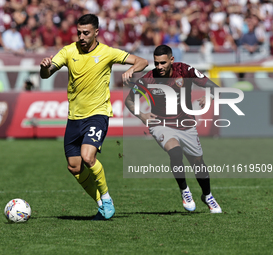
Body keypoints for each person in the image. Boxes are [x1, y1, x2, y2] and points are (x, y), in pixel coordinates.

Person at [40, 14, 148, 220]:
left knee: (88, 157)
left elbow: (142, 61)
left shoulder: (107, 52)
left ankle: (106, 198)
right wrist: (44, 67)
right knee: (74, 166)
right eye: (79, 32)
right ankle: (100, 203)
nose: (81, 36)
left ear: (96, 32)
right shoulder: (68, 51)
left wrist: (132, 70)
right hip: (74, 117)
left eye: (86, 33)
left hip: (98, 114)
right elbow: (46, 74)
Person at [125, 45, 222, 213]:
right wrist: (141, 115)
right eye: (156, 63)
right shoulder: (149, 78)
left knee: (197, 163)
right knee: (175, 153)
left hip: (186, 123)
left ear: (172, 60)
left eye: (163, 63)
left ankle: (207, 195)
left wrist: (209, 96)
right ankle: (185, 191)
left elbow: (213, 86)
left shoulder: (184, 70)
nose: (159, 67)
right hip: (161, 124)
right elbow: (129, 101)